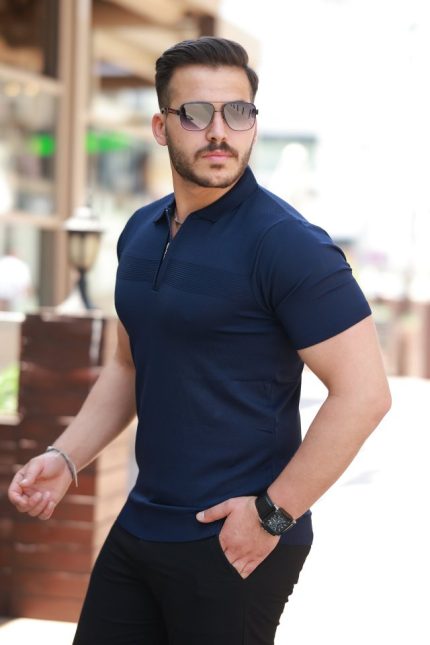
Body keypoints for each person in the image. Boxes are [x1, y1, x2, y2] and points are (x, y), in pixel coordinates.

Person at [8, 37, 391, 645]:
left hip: (234, 537)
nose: (219, 132)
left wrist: (271, 515)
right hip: (145, 520)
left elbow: (364, 394)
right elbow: (129, 365)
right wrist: (66, 457)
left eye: (237, 112)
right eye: (196, 113)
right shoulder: (140, 231)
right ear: (161, 127)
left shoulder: (290, 245)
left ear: (254, 123)